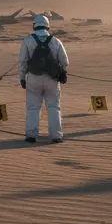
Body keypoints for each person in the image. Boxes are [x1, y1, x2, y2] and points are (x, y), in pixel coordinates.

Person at [18, 14, 69, 144]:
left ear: (34, 25)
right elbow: (65, 61)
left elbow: (22, 62)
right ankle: (56, 136)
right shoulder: (55, 41)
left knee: (33, 108)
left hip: (33, 78)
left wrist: (22, 78)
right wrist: (60, 73)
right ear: (47, 26)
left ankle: (31, 135)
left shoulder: (27, 40)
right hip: (52, 79)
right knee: (53, 107)